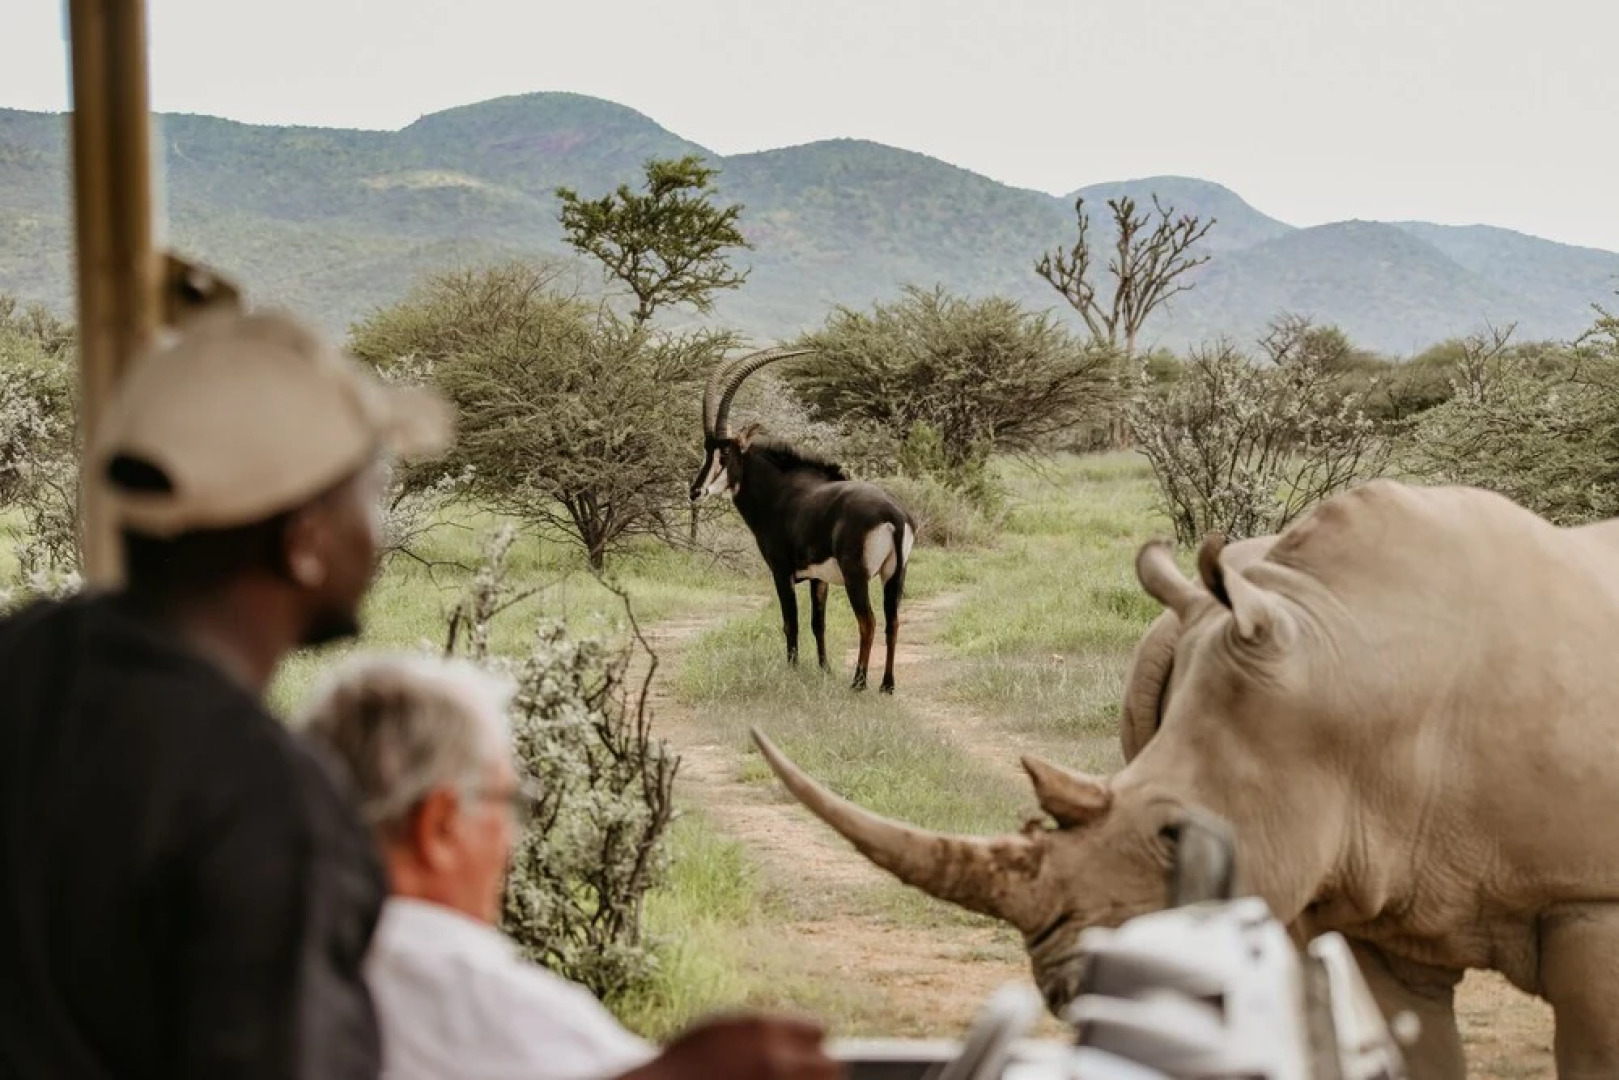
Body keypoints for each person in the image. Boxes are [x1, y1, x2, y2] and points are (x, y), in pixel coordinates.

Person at [0, 308, 454, 1079]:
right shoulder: (268, 805)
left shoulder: (25, 652)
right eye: (365, 495)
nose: (374, 536)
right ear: (303, 541)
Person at [298, 652, 842, 1080]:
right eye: (508, 805)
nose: (514, 838)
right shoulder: (475, 998)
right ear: (439, 826)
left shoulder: (256, 976)